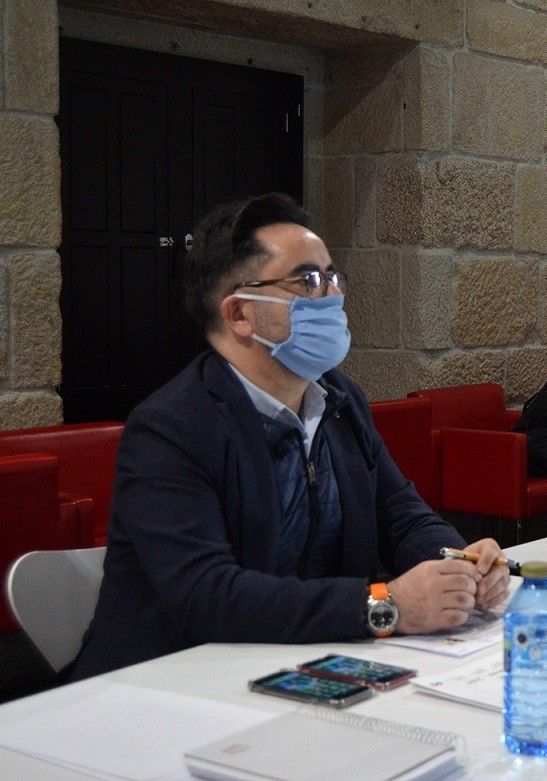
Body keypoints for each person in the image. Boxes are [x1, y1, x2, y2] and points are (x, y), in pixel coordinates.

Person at [72, 194, 508, 679]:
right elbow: (205, 594)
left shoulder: (339, 399)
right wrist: (386, 605)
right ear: (240, 314)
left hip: (305, 661)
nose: (333, 296)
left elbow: (401, 515)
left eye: (333, 277)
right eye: (308, 280)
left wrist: (459, 564)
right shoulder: (170, 427)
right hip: (173, 682)